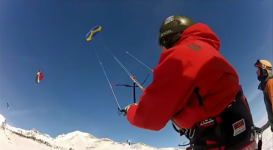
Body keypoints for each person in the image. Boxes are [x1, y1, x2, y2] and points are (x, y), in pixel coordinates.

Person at [122, 15, 257, 150]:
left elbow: (149, 117)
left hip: (220, 140)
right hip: (242, 135)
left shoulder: (178, 57)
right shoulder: (205, 49)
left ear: (169, 38)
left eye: (162, 45)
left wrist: (130, 110)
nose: (163, 50)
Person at [254, 59, 273, 132]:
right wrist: (262, 129)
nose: (256, 72)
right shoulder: (267, 86)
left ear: (264, 70)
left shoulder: (270, 84)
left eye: (258, 69)